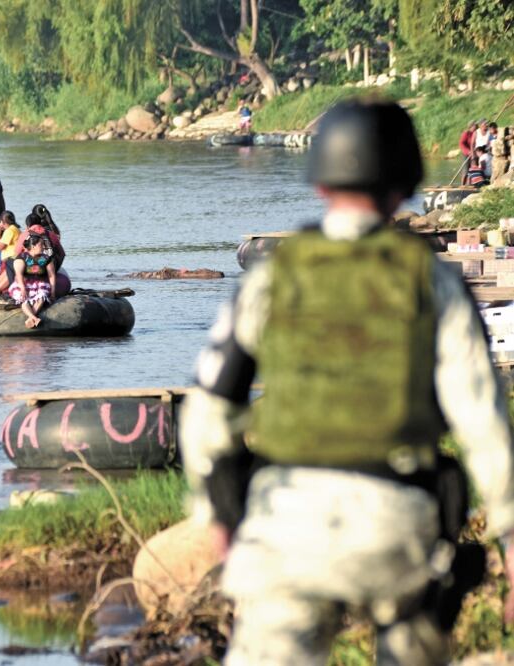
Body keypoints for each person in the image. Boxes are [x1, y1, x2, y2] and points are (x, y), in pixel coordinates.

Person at [180, 99, 514, 665]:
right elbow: (483, 422)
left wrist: (216, 516)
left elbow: (210, 410)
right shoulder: (432, 282)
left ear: (319, 185)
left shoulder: (272, 278)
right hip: (400, 526)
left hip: (286, 524)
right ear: (406, 184)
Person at [10, 233, 57, 328]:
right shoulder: (22, 257)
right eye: (41, 245)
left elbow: (51, 275)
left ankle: (31, 319)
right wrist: (23, 289)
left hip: (39, 283)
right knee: (23, 299)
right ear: (33, 246)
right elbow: (19, 275)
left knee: (42, 297)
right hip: (24, 283)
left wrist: (52, 292)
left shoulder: (46, 258)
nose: (43, 247)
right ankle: (34, 318)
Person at [459, 120, 476, 184]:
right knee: (466, 171)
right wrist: (468, 151)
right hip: (466, 154)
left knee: (472, 170)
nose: (476, 127)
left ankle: (470, 184)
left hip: (474, 154)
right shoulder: (466, 133)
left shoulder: (476, 133)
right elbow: (461, 144)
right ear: (470, 126)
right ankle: (462, 185)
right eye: (474, 125)